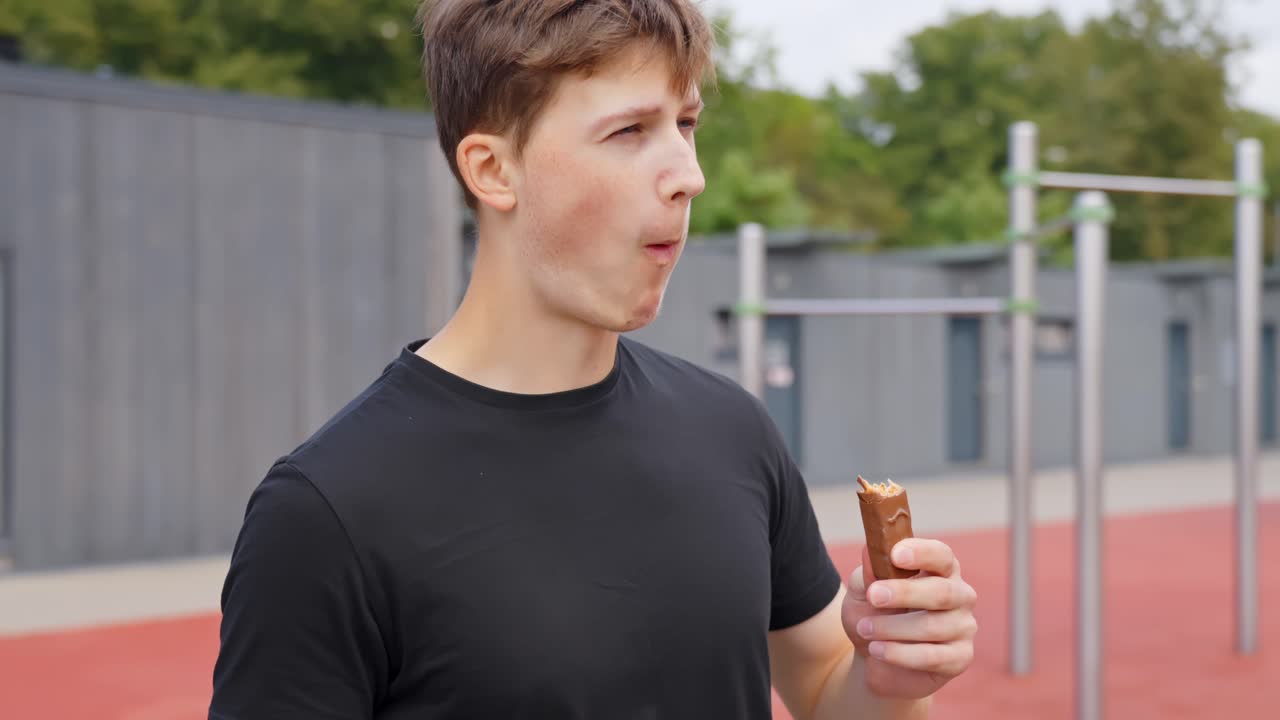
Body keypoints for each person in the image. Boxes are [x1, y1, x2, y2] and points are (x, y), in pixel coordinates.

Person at [208, 1, 978, 718]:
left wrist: (890, 678)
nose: (689, 174)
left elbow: (819, 684)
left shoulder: (732, 430)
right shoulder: (324, 513)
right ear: (492, 170)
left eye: (686, 123)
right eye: (630, 132)